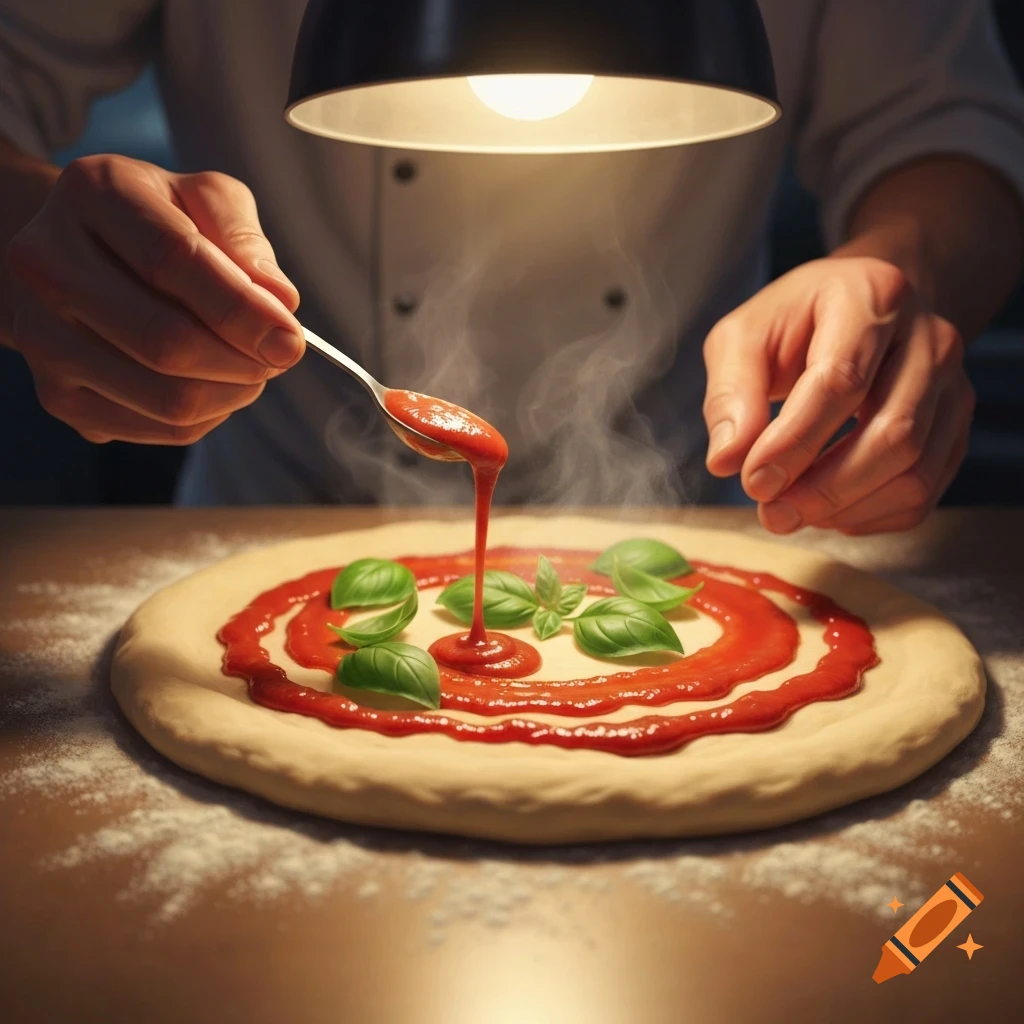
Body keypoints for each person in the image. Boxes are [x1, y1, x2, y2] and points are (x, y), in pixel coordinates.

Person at [1, 1, 1022, 535]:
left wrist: (898, 269)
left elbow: (947, 130)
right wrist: (47, 238)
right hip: (268, 509)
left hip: (709, 523)